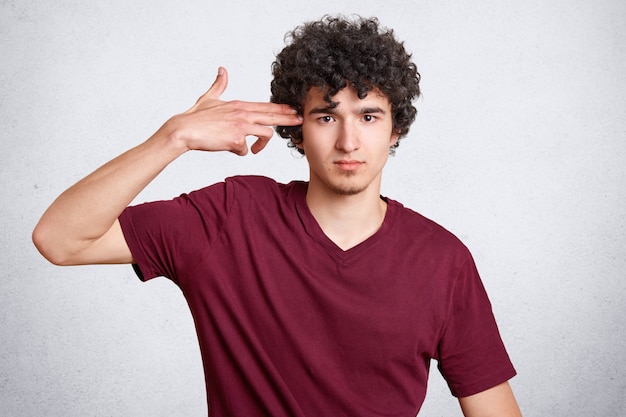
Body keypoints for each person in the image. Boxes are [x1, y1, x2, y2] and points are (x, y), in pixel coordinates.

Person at [33, 15, 522, 417]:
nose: (348, 142)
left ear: (395, 129)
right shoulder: (228, 218)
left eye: (368, 116)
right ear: (296, 129)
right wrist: (173, 138)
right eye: (326, 117)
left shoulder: (442, 261)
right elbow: (60, 238)